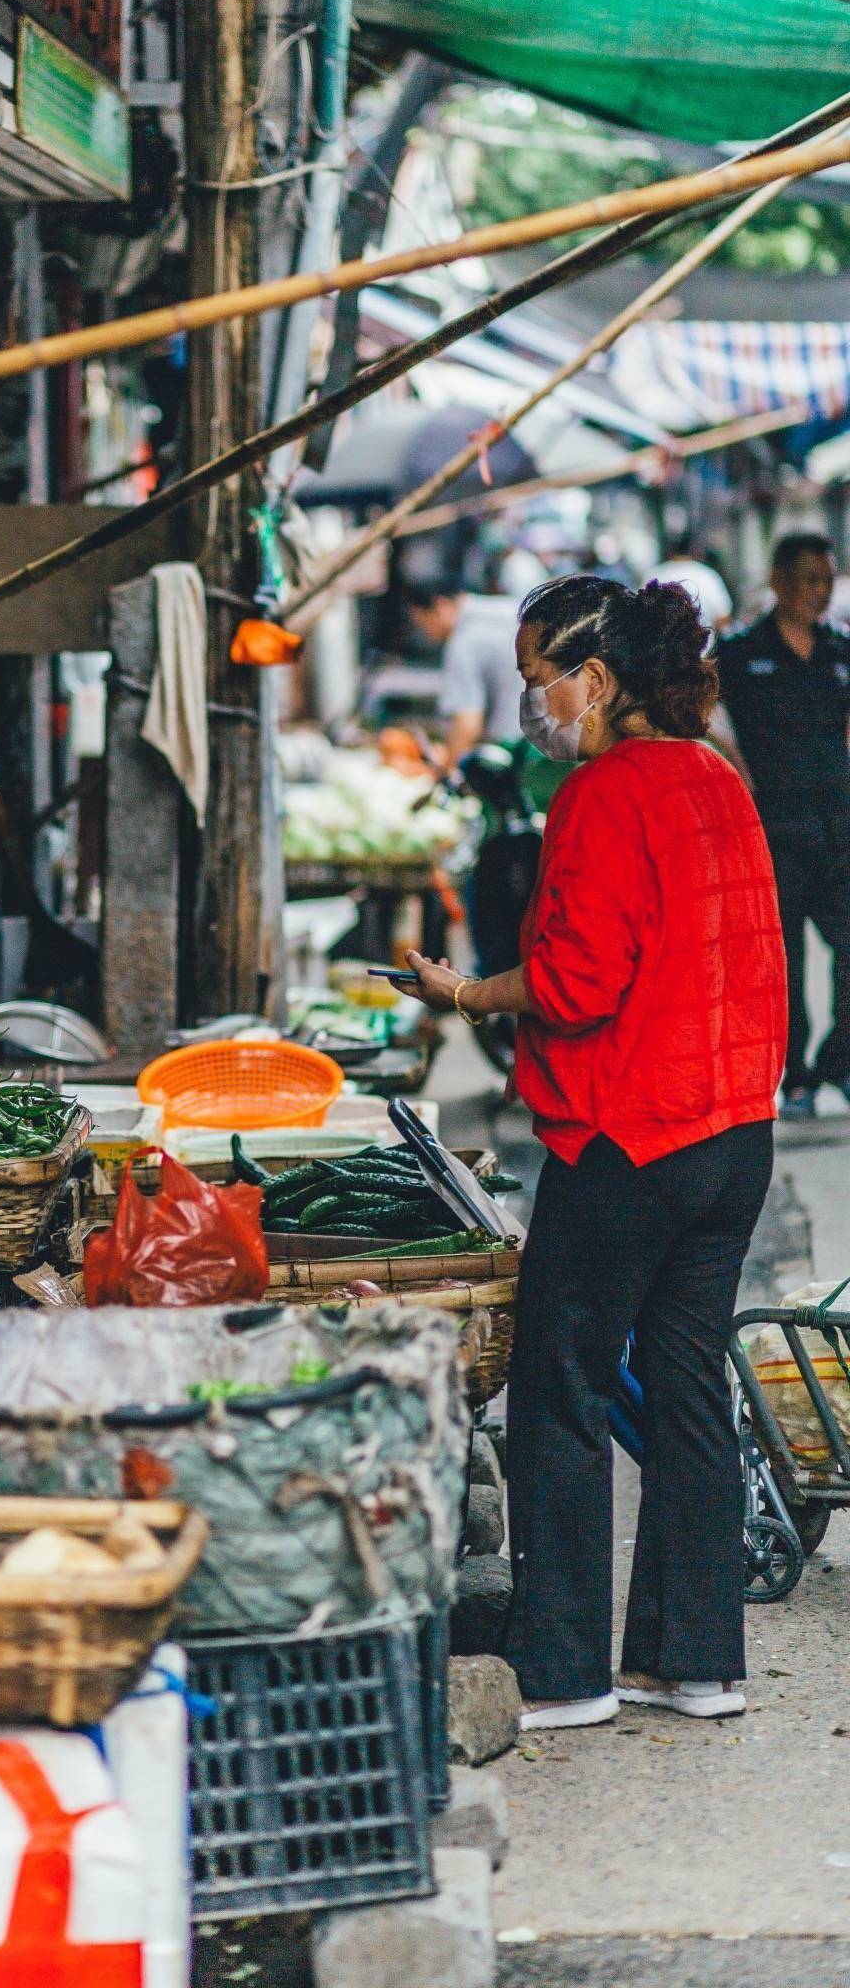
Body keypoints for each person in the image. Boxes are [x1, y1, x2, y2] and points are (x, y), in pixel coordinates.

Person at [400, 577, 786, 1732]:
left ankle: (564, 1672)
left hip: (630, 1137)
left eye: (539, 680)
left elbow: (576, 983)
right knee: (685, 1386)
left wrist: (465, 992)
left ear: (599, 679)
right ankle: (693, 1661)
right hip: (733, 1137)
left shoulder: (602, 792)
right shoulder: (717, 775)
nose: (532, 702)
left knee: (558, 1387)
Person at [715, 533, 850, 1118]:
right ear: (777, 581)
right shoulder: (741, 652)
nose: (819, 592)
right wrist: (733, 764)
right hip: (772, 834)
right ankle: (795, 1078)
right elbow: (694, 709)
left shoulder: (840, 650)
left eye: (826, 580)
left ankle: (839, 1064)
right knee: (783, 963)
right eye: (808, 579)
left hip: (839, 828)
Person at [405, 581, 524, 765]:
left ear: (440, 607)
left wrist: (447, 772)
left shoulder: (463, 642)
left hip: (516, 753)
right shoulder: (514, 609)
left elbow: (467, 724)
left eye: (423, 623)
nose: (426, 634)